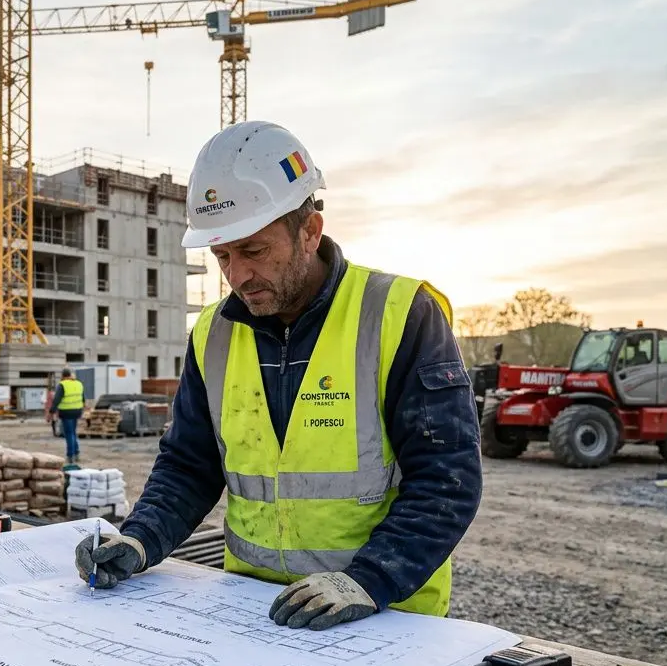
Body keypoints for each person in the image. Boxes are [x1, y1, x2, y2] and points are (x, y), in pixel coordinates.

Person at [75, 120, 482, 631]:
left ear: (310, 232)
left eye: (254, 250)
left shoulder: (400, 315)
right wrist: (139, 538)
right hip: (258, 617)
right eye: (222, 255)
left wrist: (370, 579)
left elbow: (448, 478)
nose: (237, 274)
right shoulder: (213, 334)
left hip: (387, 619)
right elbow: (189, 465)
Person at [48, 368, 86, 463]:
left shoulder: (62, 385)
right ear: (70, 375)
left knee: (69, 434)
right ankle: (76, 453)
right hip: (77, 411)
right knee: (73, 432)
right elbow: (83, 398)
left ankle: (70, 455)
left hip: (66, 412)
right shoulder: (79, 383)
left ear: (63, 376)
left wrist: (51, 413)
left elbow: (56, 400)